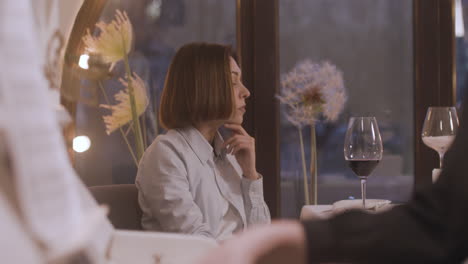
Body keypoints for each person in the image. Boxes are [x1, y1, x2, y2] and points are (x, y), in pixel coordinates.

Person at [197, 94, 468, 263]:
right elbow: (441, 222)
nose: (246, 91)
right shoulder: (183, 154)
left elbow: (439, 224)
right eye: (234, 80)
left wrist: (297, 236)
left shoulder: (232, 152)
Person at [135, 42, 271, 241]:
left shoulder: (229, 156)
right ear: (206, 86)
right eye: (234, 83)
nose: (246, 92)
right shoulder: (166, 154)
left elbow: (262, 239)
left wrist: (250, 175)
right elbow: (196, 243)